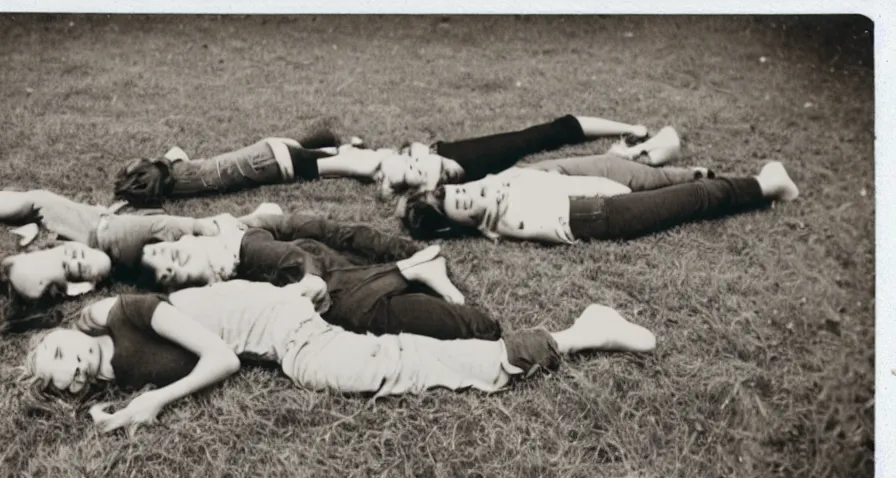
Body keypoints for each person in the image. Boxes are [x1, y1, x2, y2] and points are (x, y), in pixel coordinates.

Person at [23, 279, 657, 434]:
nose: (74, 361)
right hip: (274, 322)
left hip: (280, 333)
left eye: (59, 349)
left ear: (64, 330)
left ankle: (576, 335)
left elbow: (221, 356)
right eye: (69, 376)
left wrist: (151, 404)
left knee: (393, 366)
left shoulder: (125, 310)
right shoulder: (112, 371)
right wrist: (122, 407)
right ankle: (558, 340)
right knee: (395, 357)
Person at [112, 115, 653, 205]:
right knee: (544, 149)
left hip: (443, 165)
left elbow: (348, 160)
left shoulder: (179, 179)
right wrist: (363, 157)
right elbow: (351, 164)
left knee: (544, 142)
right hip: (450, 168)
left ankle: (626, 146)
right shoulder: (178, 174)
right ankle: (627, 148)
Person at [138, 208, 504, 341]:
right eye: (166, 275)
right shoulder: (219, 285)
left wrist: (309, 281)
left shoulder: (234, 244)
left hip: (308, 267)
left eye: (158, 252)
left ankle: (412, 268)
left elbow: (293, 258)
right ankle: (472, 323)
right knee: (370, 316)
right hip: (334, 270)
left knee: (339, 306)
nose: (167, 263)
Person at [399, 160, 799, 244]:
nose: (478, 191)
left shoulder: (502, 185)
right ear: (468, 224)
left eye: (466, 189)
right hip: (598, 216)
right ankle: (766, 185)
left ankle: (761, 185)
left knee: (676, 190)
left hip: (592, 202)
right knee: (691, 199)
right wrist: (493, 211)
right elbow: (511, 211)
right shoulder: (503, 222)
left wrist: (492, 184)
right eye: (466, 203)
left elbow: (495, 180)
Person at [0, 189, 268, 300]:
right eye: (71, 271)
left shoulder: (107, 236)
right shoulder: (108, 248)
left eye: (67, 256)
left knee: (39, 201)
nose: (77, 261)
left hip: (114, 222)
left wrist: (196, 226)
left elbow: (159, 226)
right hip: (126, 225)